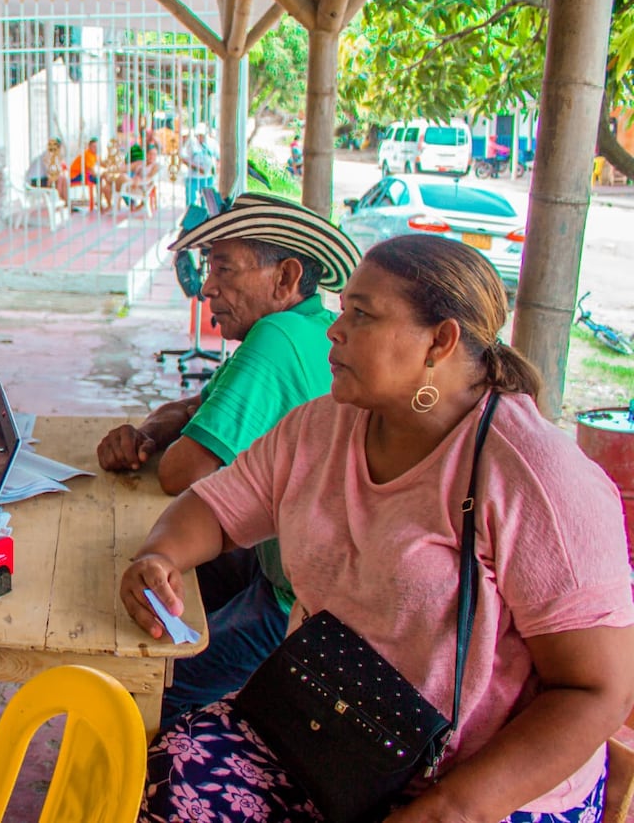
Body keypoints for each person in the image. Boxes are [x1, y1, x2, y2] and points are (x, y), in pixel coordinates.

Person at [124, 233, 634, 822]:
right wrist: (160, 557)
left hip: (480, 785)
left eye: (362, 316)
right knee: (170, 771)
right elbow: (214, 507)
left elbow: (597, 691)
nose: (334, 333)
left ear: (439, 342)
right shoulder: (323, 428)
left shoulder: (535, 478)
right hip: (326, 730)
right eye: (342, 314)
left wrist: (452, 806)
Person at [97, 193, 362, 722]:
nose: (208, 285)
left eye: (224, 267)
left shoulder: (276, 336)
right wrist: (150, 429)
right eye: (207, 265)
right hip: (278, 572)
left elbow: (181, 472)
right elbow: (195, 405)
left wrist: (162, 442)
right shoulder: (305, 325)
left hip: (295, 605)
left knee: (146, 686)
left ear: (285, 277)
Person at [69, 136, 112, 210]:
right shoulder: (87, 154)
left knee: (101, 179)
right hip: (75, 175)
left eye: (96, 147)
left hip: (84, 175)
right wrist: (102, 175)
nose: (95, 148)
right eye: (93, 146)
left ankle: (102, 202)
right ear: (89, 146)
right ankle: (100, 203)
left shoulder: (94, 155)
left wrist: (110, 160)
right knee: (100, 179)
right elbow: (91, 171)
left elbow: (103, 164)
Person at [180, 123, 217, 209]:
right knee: (191, 202)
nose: (200, 137)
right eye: (199, 135)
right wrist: (195, 167)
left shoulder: (212, 143)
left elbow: (218, 157)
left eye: (202, 135)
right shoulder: (191, 143)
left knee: (208, 204)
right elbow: (183, 157)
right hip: (193, 177)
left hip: (207, 177)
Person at [24, 136, 69, 205]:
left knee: (63, 179)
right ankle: (57, 201)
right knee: (60, 179)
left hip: (41, 180)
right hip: (35, 182)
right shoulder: (48, 155)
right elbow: (51, 174)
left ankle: (64, 202)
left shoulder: (53, 156)